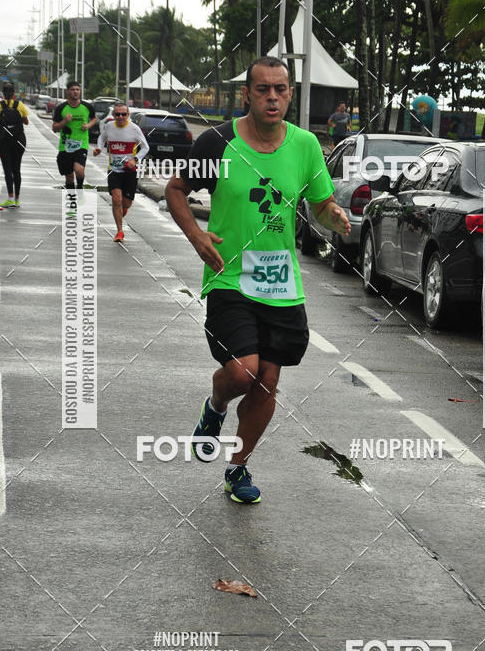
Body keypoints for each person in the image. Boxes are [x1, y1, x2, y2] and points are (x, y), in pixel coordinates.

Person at [166, 57, 350, 504]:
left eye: (281, 89)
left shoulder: (306, 146)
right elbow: (175, 191)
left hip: (280, 281)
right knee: (244, 372)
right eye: (263, 89)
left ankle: (237, 466)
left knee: (268, 380)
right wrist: (196, 236)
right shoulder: (219, 143)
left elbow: (319, 202)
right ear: (247, 94)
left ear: (290, 94)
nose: (272, 96)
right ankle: (216, 405)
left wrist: (335, 215)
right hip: (230, 276)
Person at [93, 101, 149, 242]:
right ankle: (119, 231)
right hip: (114, 170)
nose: (120, 117)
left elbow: (145, 148)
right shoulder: (109, 126)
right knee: (116, 199)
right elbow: (102, 137)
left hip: (130, 172)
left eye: (123, 114)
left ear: (128, 115)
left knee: (126, 203)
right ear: (113, 115)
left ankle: (121, 211)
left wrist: (134, 160)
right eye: (117, 114)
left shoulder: (134, 129)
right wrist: (99, 148)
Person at [52, 81, 97, 190]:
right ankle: (71, 202)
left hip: (81, 145)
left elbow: (94, 118)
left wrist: (88, 125)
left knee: (79, 170)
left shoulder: (87, 107)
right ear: (67, 92)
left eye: (77, 89)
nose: (75, 92)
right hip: (65, 146)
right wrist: (64, 121)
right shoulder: (61, 108)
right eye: (72, 90)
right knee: (69, 177)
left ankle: (80, 188)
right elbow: (54, 128)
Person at [0, 83, 29, 208]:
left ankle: (10, 197)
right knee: (17, 169)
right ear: (14, 93)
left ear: (3, 93)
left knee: (7, 169)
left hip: (4, 141)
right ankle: (18, 200)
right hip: (19, 140)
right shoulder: (20, 105)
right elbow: (26, 121)